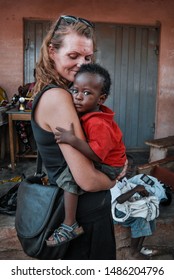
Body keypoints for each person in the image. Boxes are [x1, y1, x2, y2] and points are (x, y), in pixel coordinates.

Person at [31, 15, 127, 260]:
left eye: (88, 58)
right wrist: (114, 181)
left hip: (85, 213)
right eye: (73, 56)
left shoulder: (63, 91)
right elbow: (87, 181)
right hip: (85, 219)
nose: (82, 64)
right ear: (52, 52)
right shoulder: (59, 98)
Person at [47, 63, 127, 246]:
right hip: (111, 161)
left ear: (101, 99)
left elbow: (98, 156)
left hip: (109, 166)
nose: (78, 97)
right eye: (75, 90)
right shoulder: (89, 114)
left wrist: (73, 140)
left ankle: (69, 225)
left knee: (71, 176)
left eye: (87, 93)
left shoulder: (98, 123)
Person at [111, 179, 158, 259]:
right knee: (140, 219)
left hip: (125, 208)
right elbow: (119, 200)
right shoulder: (111, 183)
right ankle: (133, 253)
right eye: (125, 167)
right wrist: (135, 189)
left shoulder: (122, 180)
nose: (128, 169)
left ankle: (139, 248)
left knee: (148, 214)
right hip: (117, 212)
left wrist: (141, 191)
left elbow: (129, 190)